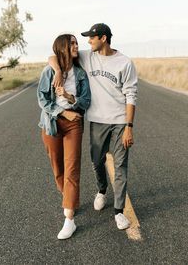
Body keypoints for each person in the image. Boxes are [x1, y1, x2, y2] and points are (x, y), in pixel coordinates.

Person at [49, 24, 138, 230]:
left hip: (119, 121)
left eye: (92, 38)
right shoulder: (87, 56)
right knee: (97, 161)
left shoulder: (124, 62)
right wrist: (56, 71)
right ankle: (101, 190)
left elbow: (131, 95)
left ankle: (118, 212)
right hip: (97, 121)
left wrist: (129, 126)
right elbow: (54, 55)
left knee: (120, 165)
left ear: (103, 38)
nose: (88, 42)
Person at [37, 34, 91, 240]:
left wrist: (70, 99)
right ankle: (68, 197)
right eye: (72, 44)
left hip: (74, 124)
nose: (77, 46)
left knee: (72, 168)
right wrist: (61, 111)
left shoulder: (80, 73)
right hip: (51, 124)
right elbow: (42, 99)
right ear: (62, 48)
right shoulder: (49, 71)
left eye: (77, 43)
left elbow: (86, 101)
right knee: (57, 167)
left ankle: (69, 219)